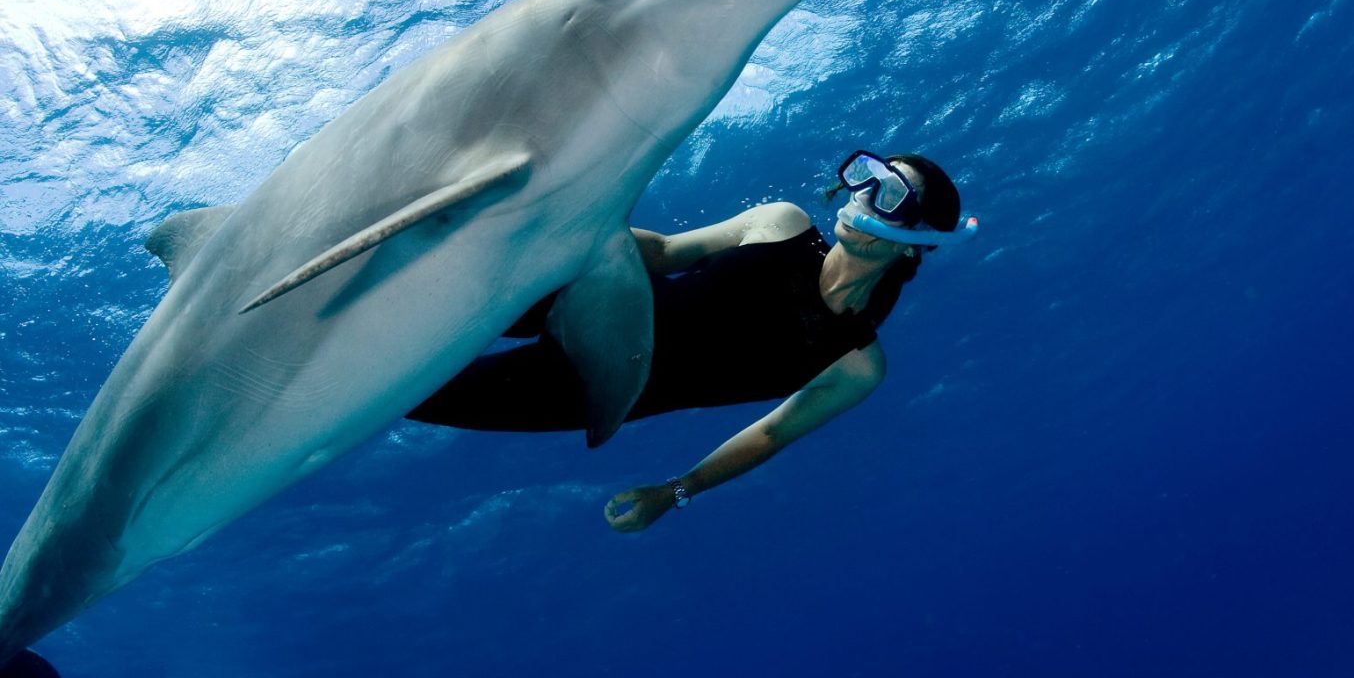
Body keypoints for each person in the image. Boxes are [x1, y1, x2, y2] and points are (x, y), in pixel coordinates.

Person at [407, 151, 973, 532]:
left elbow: (771, 434)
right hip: (592, 295)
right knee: (431, 286)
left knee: (413, 395)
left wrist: (676, 492)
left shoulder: (856, 365)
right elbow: (664, 253)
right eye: (865, 177)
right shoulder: (782, 223)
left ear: (915, 241)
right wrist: (567, 228)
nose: (862, 197)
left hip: (590, 392)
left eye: (890, 194)